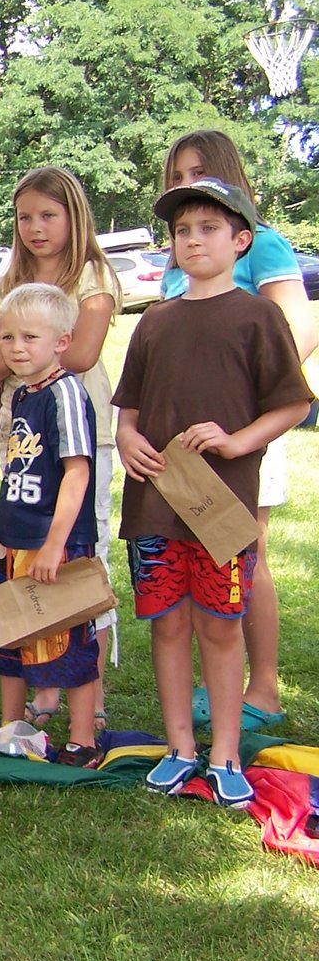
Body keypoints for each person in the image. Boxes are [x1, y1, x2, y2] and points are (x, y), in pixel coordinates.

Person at [115, 179, 310, 806]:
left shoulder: (258, 317)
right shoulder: (155, 321)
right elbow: (128, 410)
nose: (193, 241)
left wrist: (234, 441)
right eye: (182, 232)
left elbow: (293, 403)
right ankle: (180, 748)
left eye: (208, 229)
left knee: (221, 628)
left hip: (222, 511)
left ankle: (225, 754)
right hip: (155, 506)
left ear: (241, 240)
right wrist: (126, 439)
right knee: (168, 626)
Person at [159, 130, 318, 729]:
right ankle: (216, 684)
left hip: (246, 431)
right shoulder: (181, 259)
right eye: (177, 176)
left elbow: (298, 329)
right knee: (200, 556)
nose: (186, 184)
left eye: (198, 172)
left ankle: (265, 687)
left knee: (247, 552)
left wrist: (244, 414)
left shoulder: (263, 243)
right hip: (187, 442)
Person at [0, 167, 121, 727]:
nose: (35, 227)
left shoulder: (92, 275)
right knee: (26, 562)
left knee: (79, 561)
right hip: (21, 436)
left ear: (73, 216)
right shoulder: (9, 279)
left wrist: (11, 348)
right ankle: (44, 686)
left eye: (48, 215)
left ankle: (89, 696)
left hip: (80, 435)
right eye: (24, 217)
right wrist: (24, 346)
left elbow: (80, 354)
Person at [0, 284, 103, 765]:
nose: (17, 348)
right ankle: (12, 728)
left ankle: (83, 739)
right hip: (11, 536)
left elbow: (77, 472)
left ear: (61, 342)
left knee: (69, 642)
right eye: (7, 337)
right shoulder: (24, 393)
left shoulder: (65, 393)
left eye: (30, 337)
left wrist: (54, 544)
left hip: (53, 542)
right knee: (7, 635)